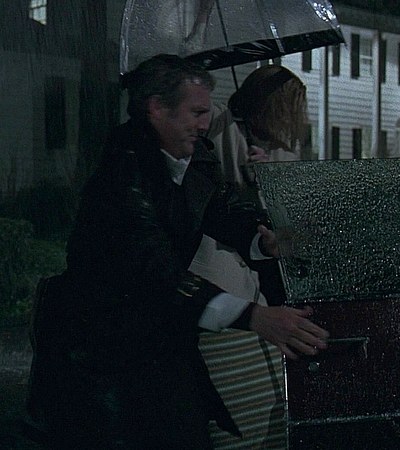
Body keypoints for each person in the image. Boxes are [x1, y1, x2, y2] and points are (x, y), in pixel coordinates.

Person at [32, 54, 329, 448]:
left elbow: (221, 209)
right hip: (101, 359)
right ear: (157, 109)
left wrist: (263, 239)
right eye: (197, 113)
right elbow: (156, 275)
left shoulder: (194, 157)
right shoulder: (123, 177)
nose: (205, 124)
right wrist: (255, 317)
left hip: (158, 345)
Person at [190, 64, 311, 307]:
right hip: (219, 249)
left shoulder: (284, 154)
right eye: (286, 108)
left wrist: (271, 177)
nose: (290, 117)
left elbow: (294, 213)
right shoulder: (222, 122)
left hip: (267, 253)